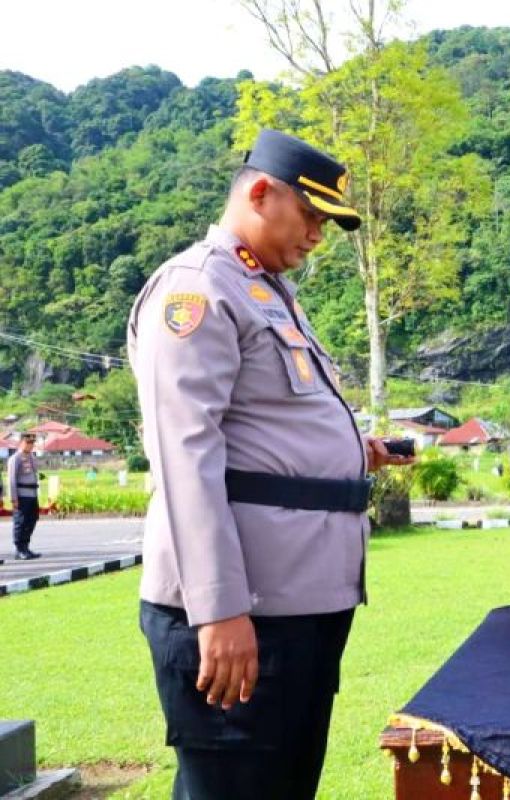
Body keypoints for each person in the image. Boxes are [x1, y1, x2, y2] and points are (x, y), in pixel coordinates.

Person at [127, 129, 411, 800]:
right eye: (311, 216)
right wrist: (219, 612)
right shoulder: (196, 291)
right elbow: (184, 455)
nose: (317, 236)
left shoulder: (268, 291)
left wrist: (347, 452)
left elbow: (261, 427)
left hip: (298, 604)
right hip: (242, 612)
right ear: (260, 193)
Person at [8, 432, 42, 560]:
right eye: (28, 442)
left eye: (32, 443)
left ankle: (26, 546)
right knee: (21, 522)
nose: (31, 445)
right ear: (21, 442)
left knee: (32, 520)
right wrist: (14, 498)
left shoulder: (32, 457)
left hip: (32, 494)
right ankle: (19, 549)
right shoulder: (15, 458)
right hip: (21, 495)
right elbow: (11, 479)